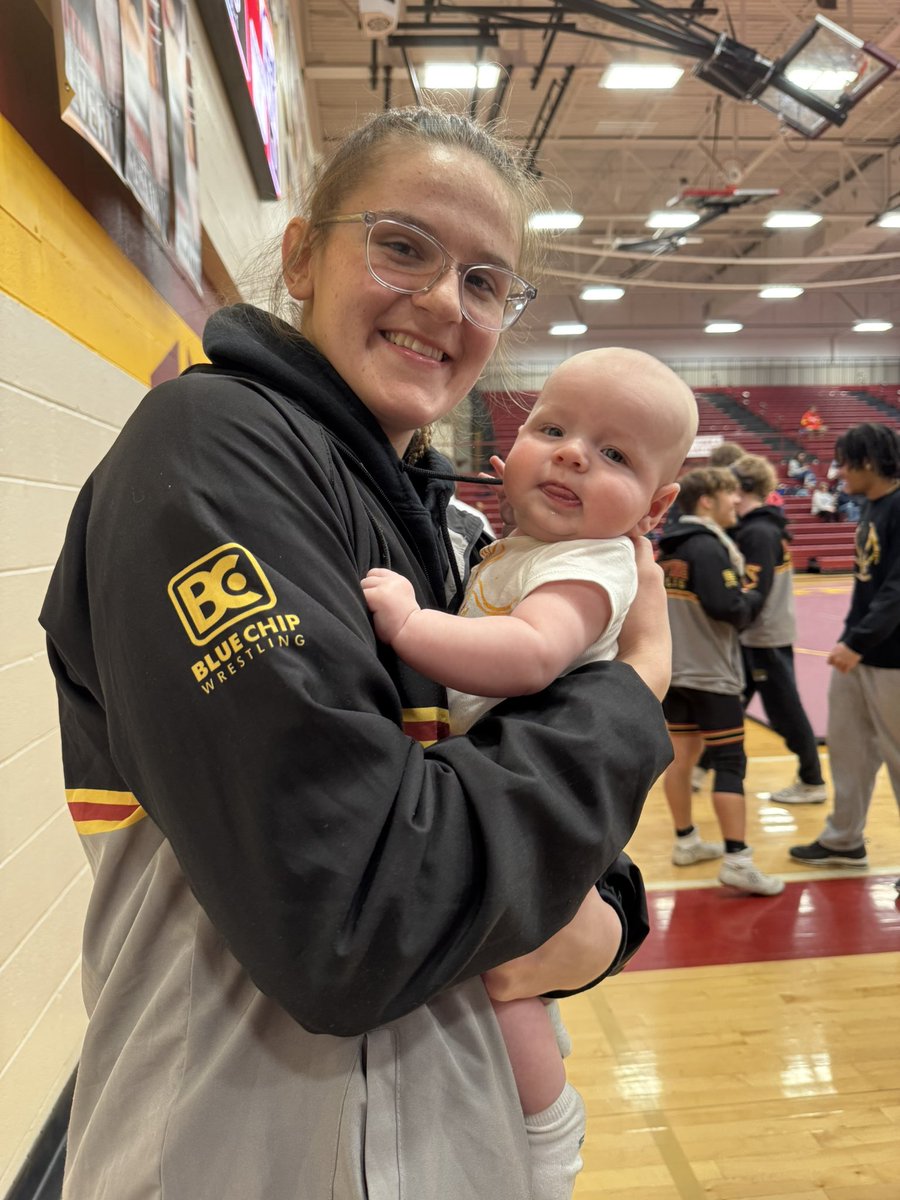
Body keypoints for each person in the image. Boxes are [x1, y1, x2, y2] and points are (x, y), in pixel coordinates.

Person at [38, 106, 676, 1200]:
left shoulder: (458, 534)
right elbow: (360, 922)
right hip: (235, 1157)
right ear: (300, 255)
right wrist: (631, 699)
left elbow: (532, 824)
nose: (442, 302)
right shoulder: (212, 453)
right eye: (402, 246)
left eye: (485, 282)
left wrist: (611, 913)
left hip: (447, 1144)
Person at [362, 347, 698, 1198]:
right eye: (553, 429)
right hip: (513, 796)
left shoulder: (591, 564)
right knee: (515, 982)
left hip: (538, 810)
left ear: (655, 508)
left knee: (508, 986)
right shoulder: (519, 545)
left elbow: (526, 654)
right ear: (505, 456)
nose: (575, 453)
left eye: (615, 454)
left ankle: (548, 1128)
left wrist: (407, 624)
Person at [657, 466, 784, 896]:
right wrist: (756, 593)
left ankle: (686, 841)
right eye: (729, 495)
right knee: (729, 764)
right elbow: (728, 606)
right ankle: (738, 859)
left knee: (681, 759)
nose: (736, 502)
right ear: (706, 500)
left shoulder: (670, 545)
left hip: (676, 671)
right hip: (712, 673)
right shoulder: (708, 548)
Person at [790, 423, 900, 878]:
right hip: (858, 656)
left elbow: (897, 590)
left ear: (869, 462)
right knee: (849, 752)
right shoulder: (871, 508)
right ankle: (844, 839)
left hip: (891, 660)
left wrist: (858, 641)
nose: (837, 473)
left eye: (844, 462)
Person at [730, 454, 827, 802]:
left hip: (763, 636)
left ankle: (812, 779)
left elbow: (755, 590)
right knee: (728, 701)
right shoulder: (762, 526)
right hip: (756, 633)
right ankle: (706, 766)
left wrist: (727, 611)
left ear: (740, 489)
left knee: (785, 709)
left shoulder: (757, 532)